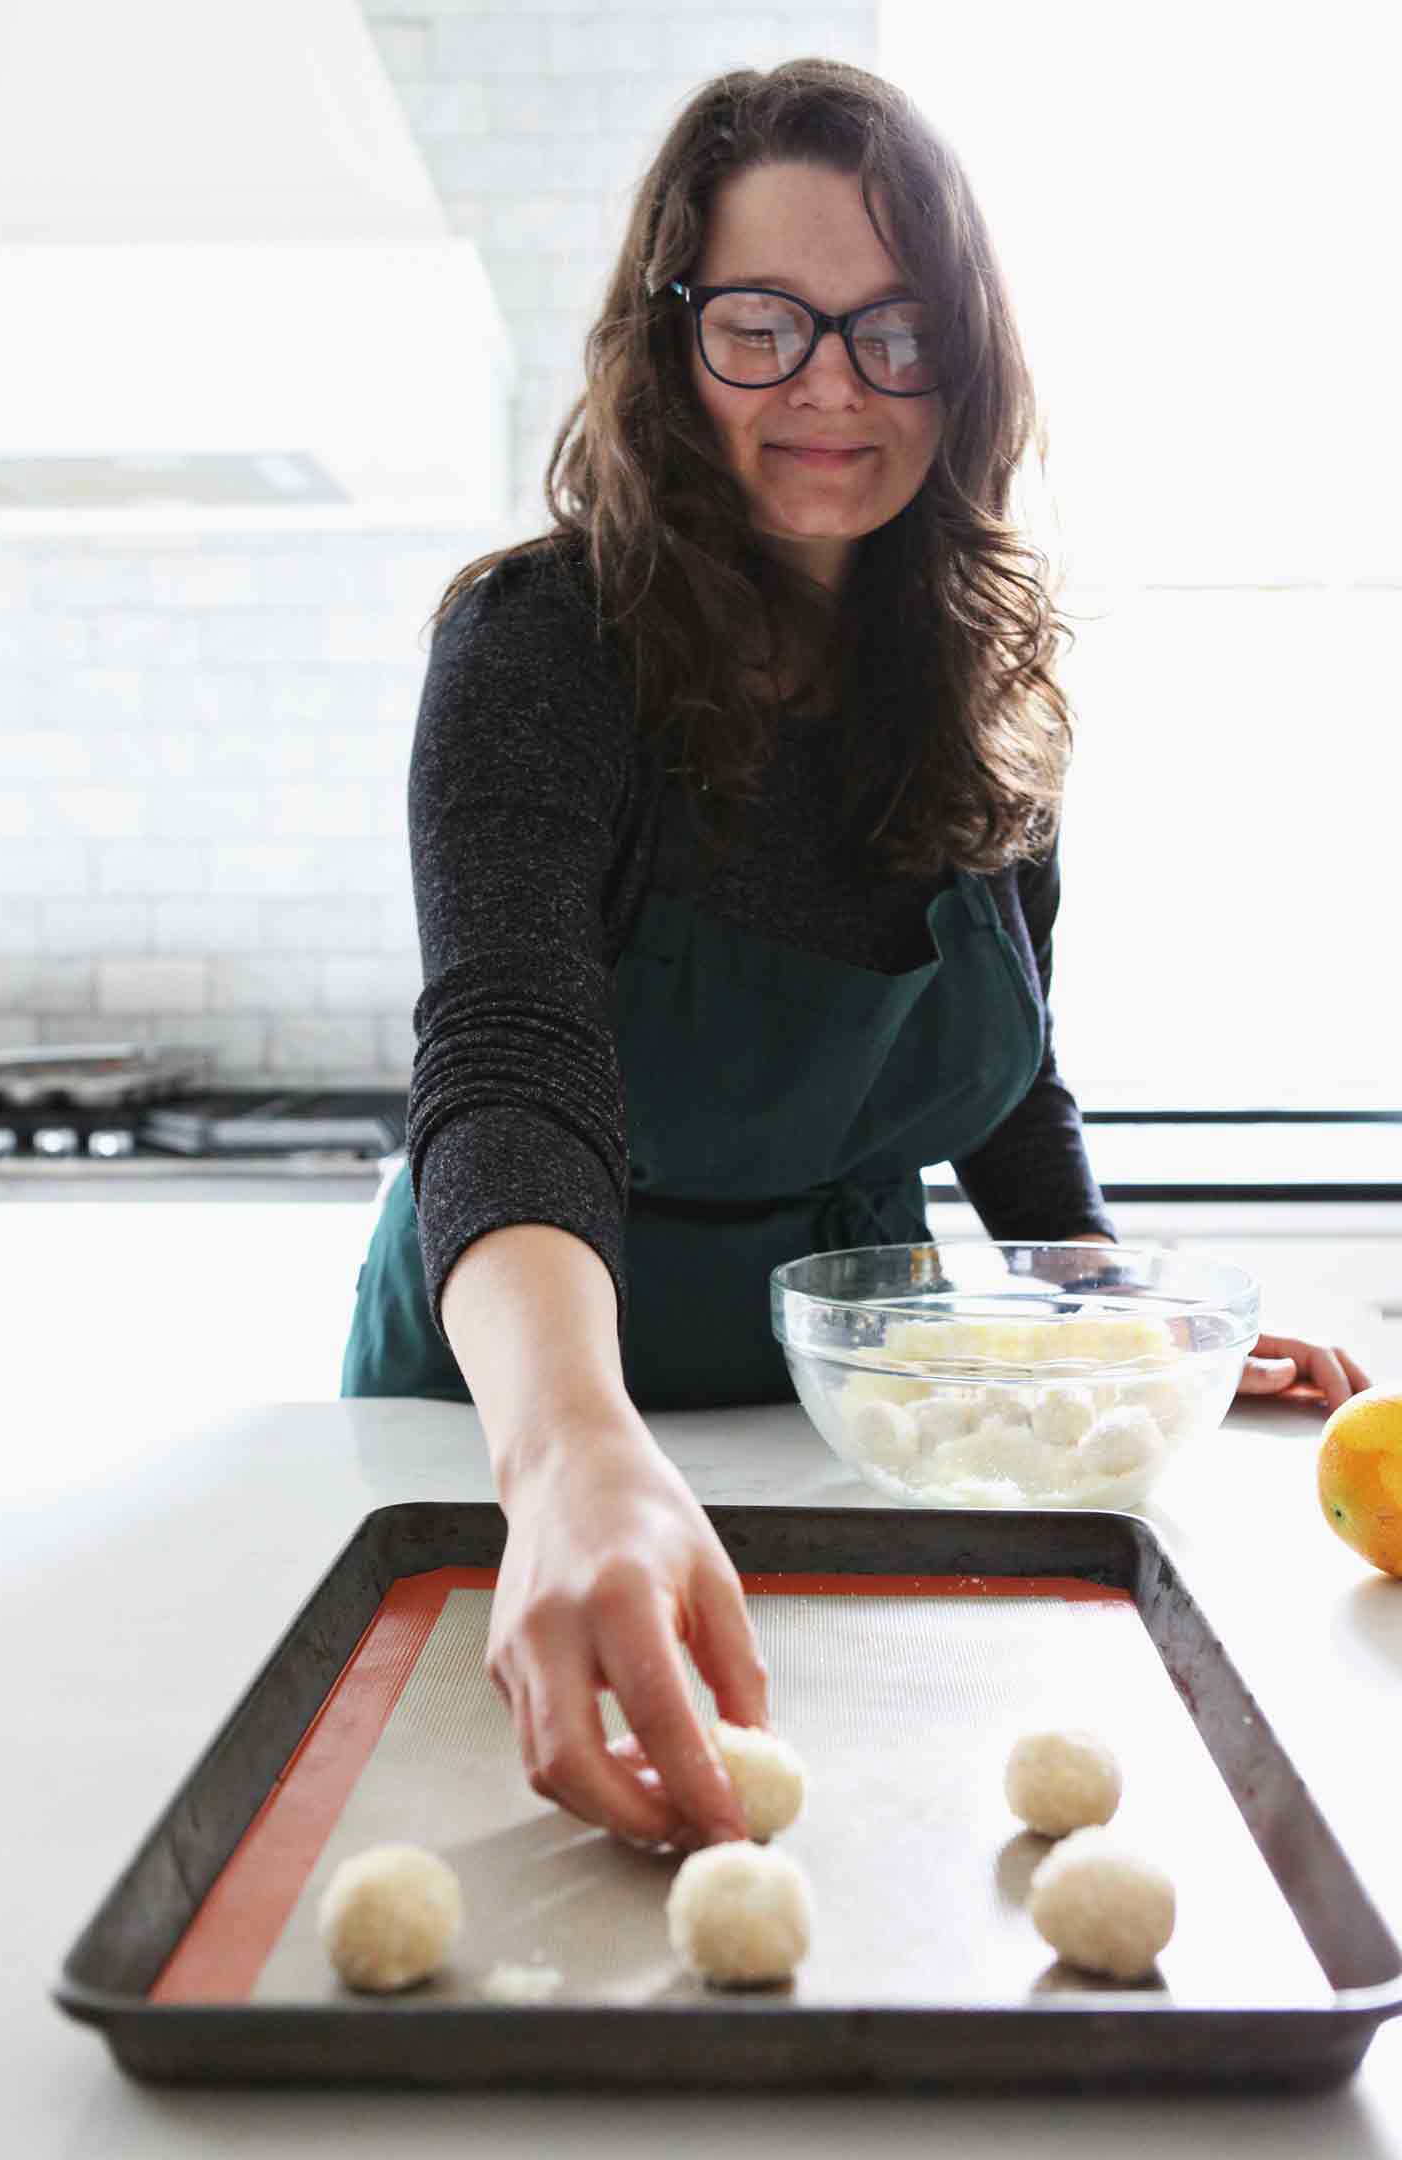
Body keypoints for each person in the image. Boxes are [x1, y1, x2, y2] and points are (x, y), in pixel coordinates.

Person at [342, 60, 1372, 1852]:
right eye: (766, 325)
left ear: (963, 364)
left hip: (854, 1423)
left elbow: (1004, 1078)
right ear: (670, 347)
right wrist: (571, 1456)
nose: (833, 383)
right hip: (506, 1429)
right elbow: (509, 1071)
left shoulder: (979, 681)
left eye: (897, 331)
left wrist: (1109, 1307)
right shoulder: (541, 651)